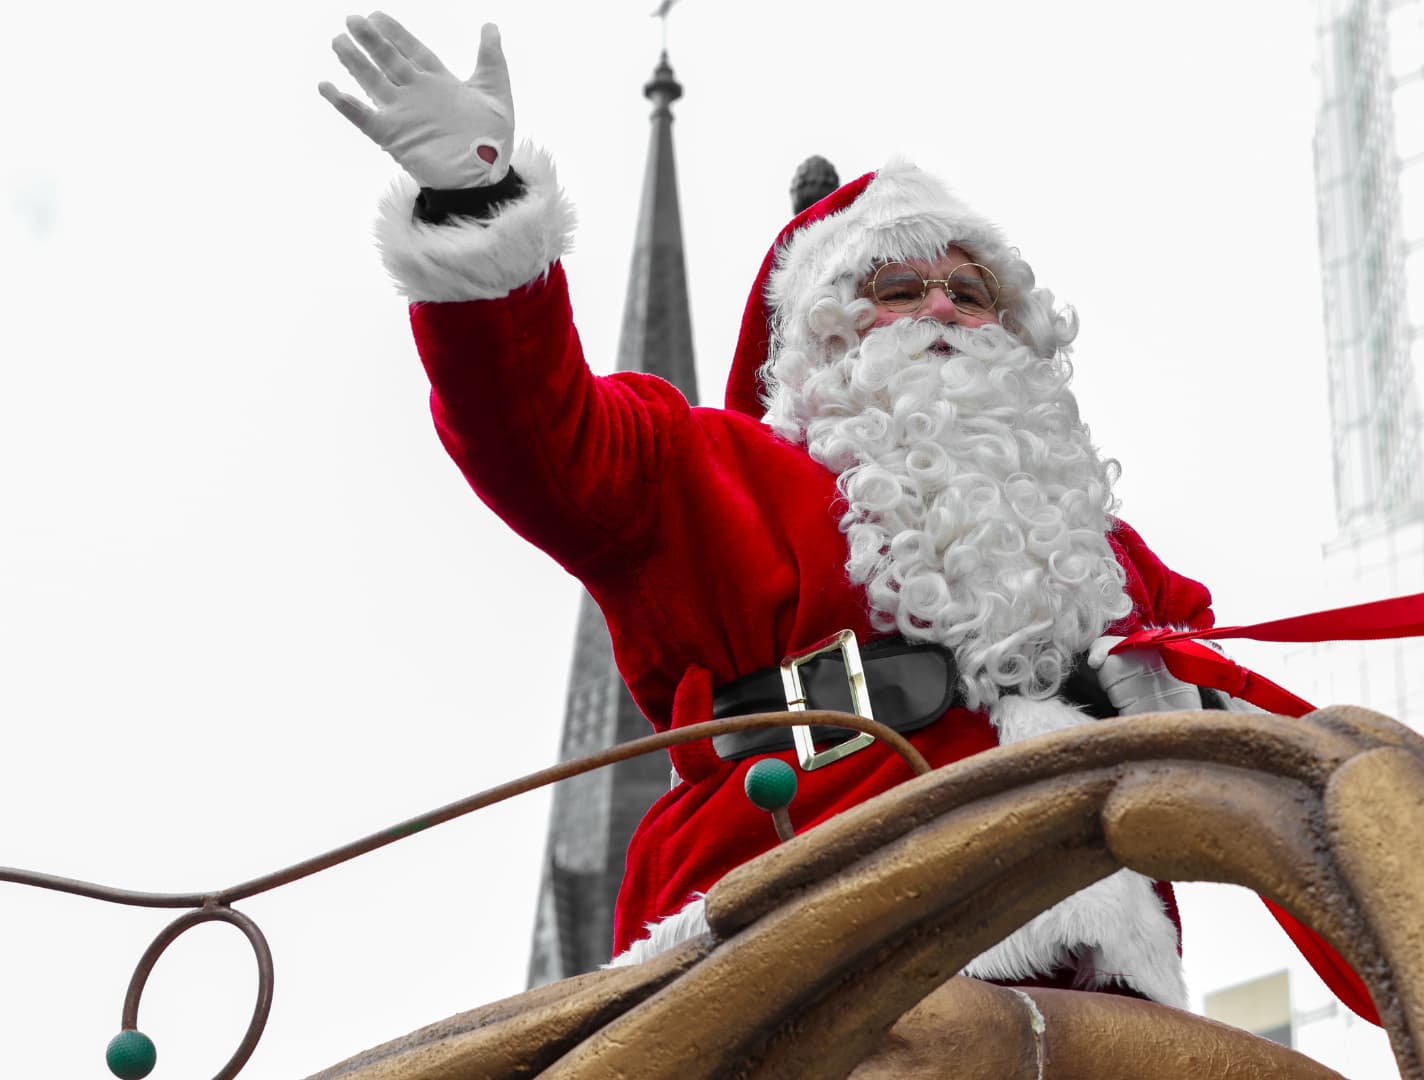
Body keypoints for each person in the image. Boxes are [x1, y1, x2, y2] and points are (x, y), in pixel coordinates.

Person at [322, 13, 1230, 1008]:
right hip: (808, 909)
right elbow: (540, 436)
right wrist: (476, 198)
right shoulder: (708, 471)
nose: (940, 307)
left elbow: (1226, 719)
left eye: (969, 291)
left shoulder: (1097, 548)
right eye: (898, 284)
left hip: (1094, 970)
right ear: (829, 326)